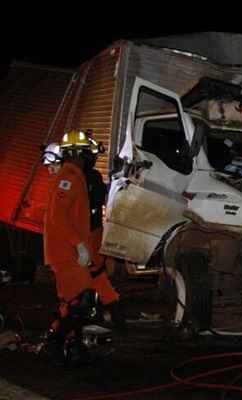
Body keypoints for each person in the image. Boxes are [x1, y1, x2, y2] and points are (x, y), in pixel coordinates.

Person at [41, 131, 98, 364]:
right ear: (75, 154)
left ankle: (69, 347)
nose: (88, 158)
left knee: (72, 302)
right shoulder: (70, 178)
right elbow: (59, 218)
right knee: (82, 303)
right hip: (67, 253)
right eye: (85, 153)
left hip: (68, 252)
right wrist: (80, 247)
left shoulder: (73, 176)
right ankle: (54, 344)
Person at [83, 135, 124, 330]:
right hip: (91, 231)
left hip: (88, 232)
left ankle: (93, 309)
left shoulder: (86, 177)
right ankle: (106, 309)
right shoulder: (90, 177)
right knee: (96, 273)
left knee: (93, 273)